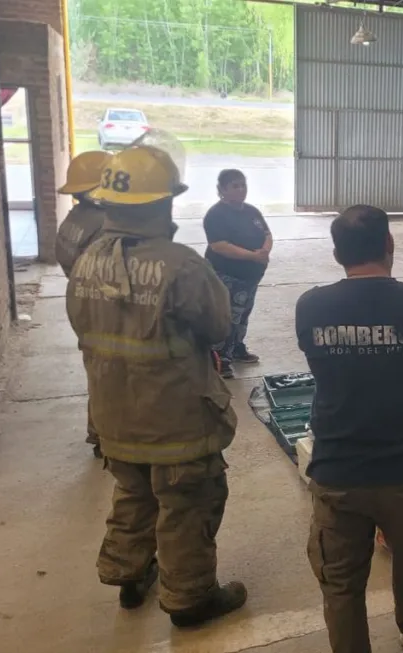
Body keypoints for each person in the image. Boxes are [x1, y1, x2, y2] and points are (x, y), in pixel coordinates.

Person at [66, 139, 247, 627]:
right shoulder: (181, 264)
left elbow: (82, 327)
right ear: (163, 202)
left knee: (133, 491)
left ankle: (130, 574)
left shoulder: (86, 261)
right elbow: (216, 327)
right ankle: (189, 599)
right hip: (175, 419)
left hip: (113, 414)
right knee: (188, 502)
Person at [296, 204, 403, 652]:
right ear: (389, 244)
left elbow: (319, 363)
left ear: (337, 252)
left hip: (336, 469)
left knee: (340, 582)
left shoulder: (312, 306)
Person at [55, 149, 111, 458]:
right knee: (112, 373)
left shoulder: (75, 218)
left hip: (82, 304)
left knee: (98, 370)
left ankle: (99, 432)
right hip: (103, 309)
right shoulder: (105, 225)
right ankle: (108, 436)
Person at [203, 169, 272, 379]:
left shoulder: (251, 211)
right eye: (235, 186)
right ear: (222, 190)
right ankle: (220, 358)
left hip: (249, 278)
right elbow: (220, 246)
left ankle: (237, 348)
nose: (241, 190)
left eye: (243, 185)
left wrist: (264, 251)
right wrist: (253, 256)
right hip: (227, 276)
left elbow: (267, 234)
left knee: (242, 316)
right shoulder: (216, 215)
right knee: (227, 317)